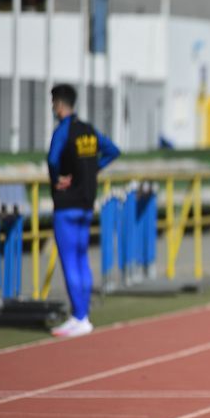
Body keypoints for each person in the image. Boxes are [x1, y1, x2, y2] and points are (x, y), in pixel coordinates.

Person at [46, 84, 121, 337]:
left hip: (67, 204)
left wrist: (58, 178)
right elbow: (113, 151)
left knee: (69, 261)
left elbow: (53, 159)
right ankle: (83, 315)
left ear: (58, 103)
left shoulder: (63, 131)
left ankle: (79, 316)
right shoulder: (88, 131)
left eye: (53, 103)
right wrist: (93, 169)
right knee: (81, 259)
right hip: (87, 204)